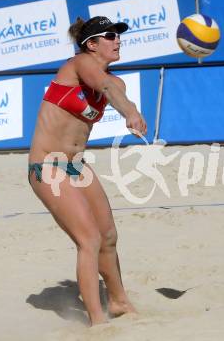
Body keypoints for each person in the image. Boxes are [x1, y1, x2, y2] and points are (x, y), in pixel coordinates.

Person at [28, 16, 146, 325]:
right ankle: (97, 321)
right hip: (46, 165)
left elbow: (115, 91)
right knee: (89, 239)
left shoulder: (115, 81)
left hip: (76, 165)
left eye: (118, 35)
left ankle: (119, 302)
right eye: (110, 35)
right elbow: (104, 84)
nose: (117, 39)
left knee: (108, 236)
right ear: (91, 44)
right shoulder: (77, 64)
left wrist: (130, 111)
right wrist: (131, 114)